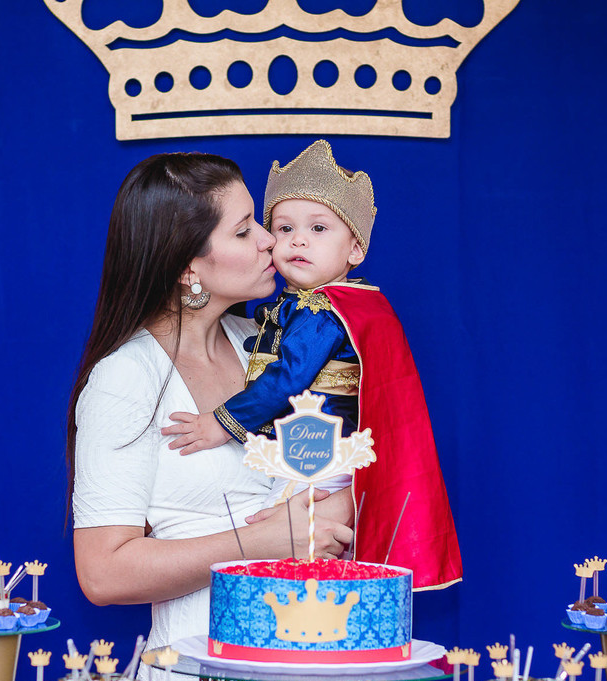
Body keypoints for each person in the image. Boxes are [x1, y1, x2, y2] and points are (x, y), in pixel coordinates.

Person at [68, 152, 355, 681]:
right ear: (186, 266)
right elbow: (102, 574)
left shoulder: (267, 345)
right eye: (246, 230)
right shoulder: (128, 376)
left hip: (315, 675)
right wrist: (264, 543)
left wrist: (332, 513)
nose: (272, 240)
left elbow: (346, 461)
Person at [162, 140, 462, 590]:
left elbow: (289, 378)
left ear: (355, 250)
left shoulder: (322, 310)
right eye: (283, 228)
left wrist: (221, 423)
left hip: (314, 453)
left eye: (318, 228)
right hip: (312, 451)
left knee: (282, 538)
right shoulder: (311, 307)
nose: (297, 239)